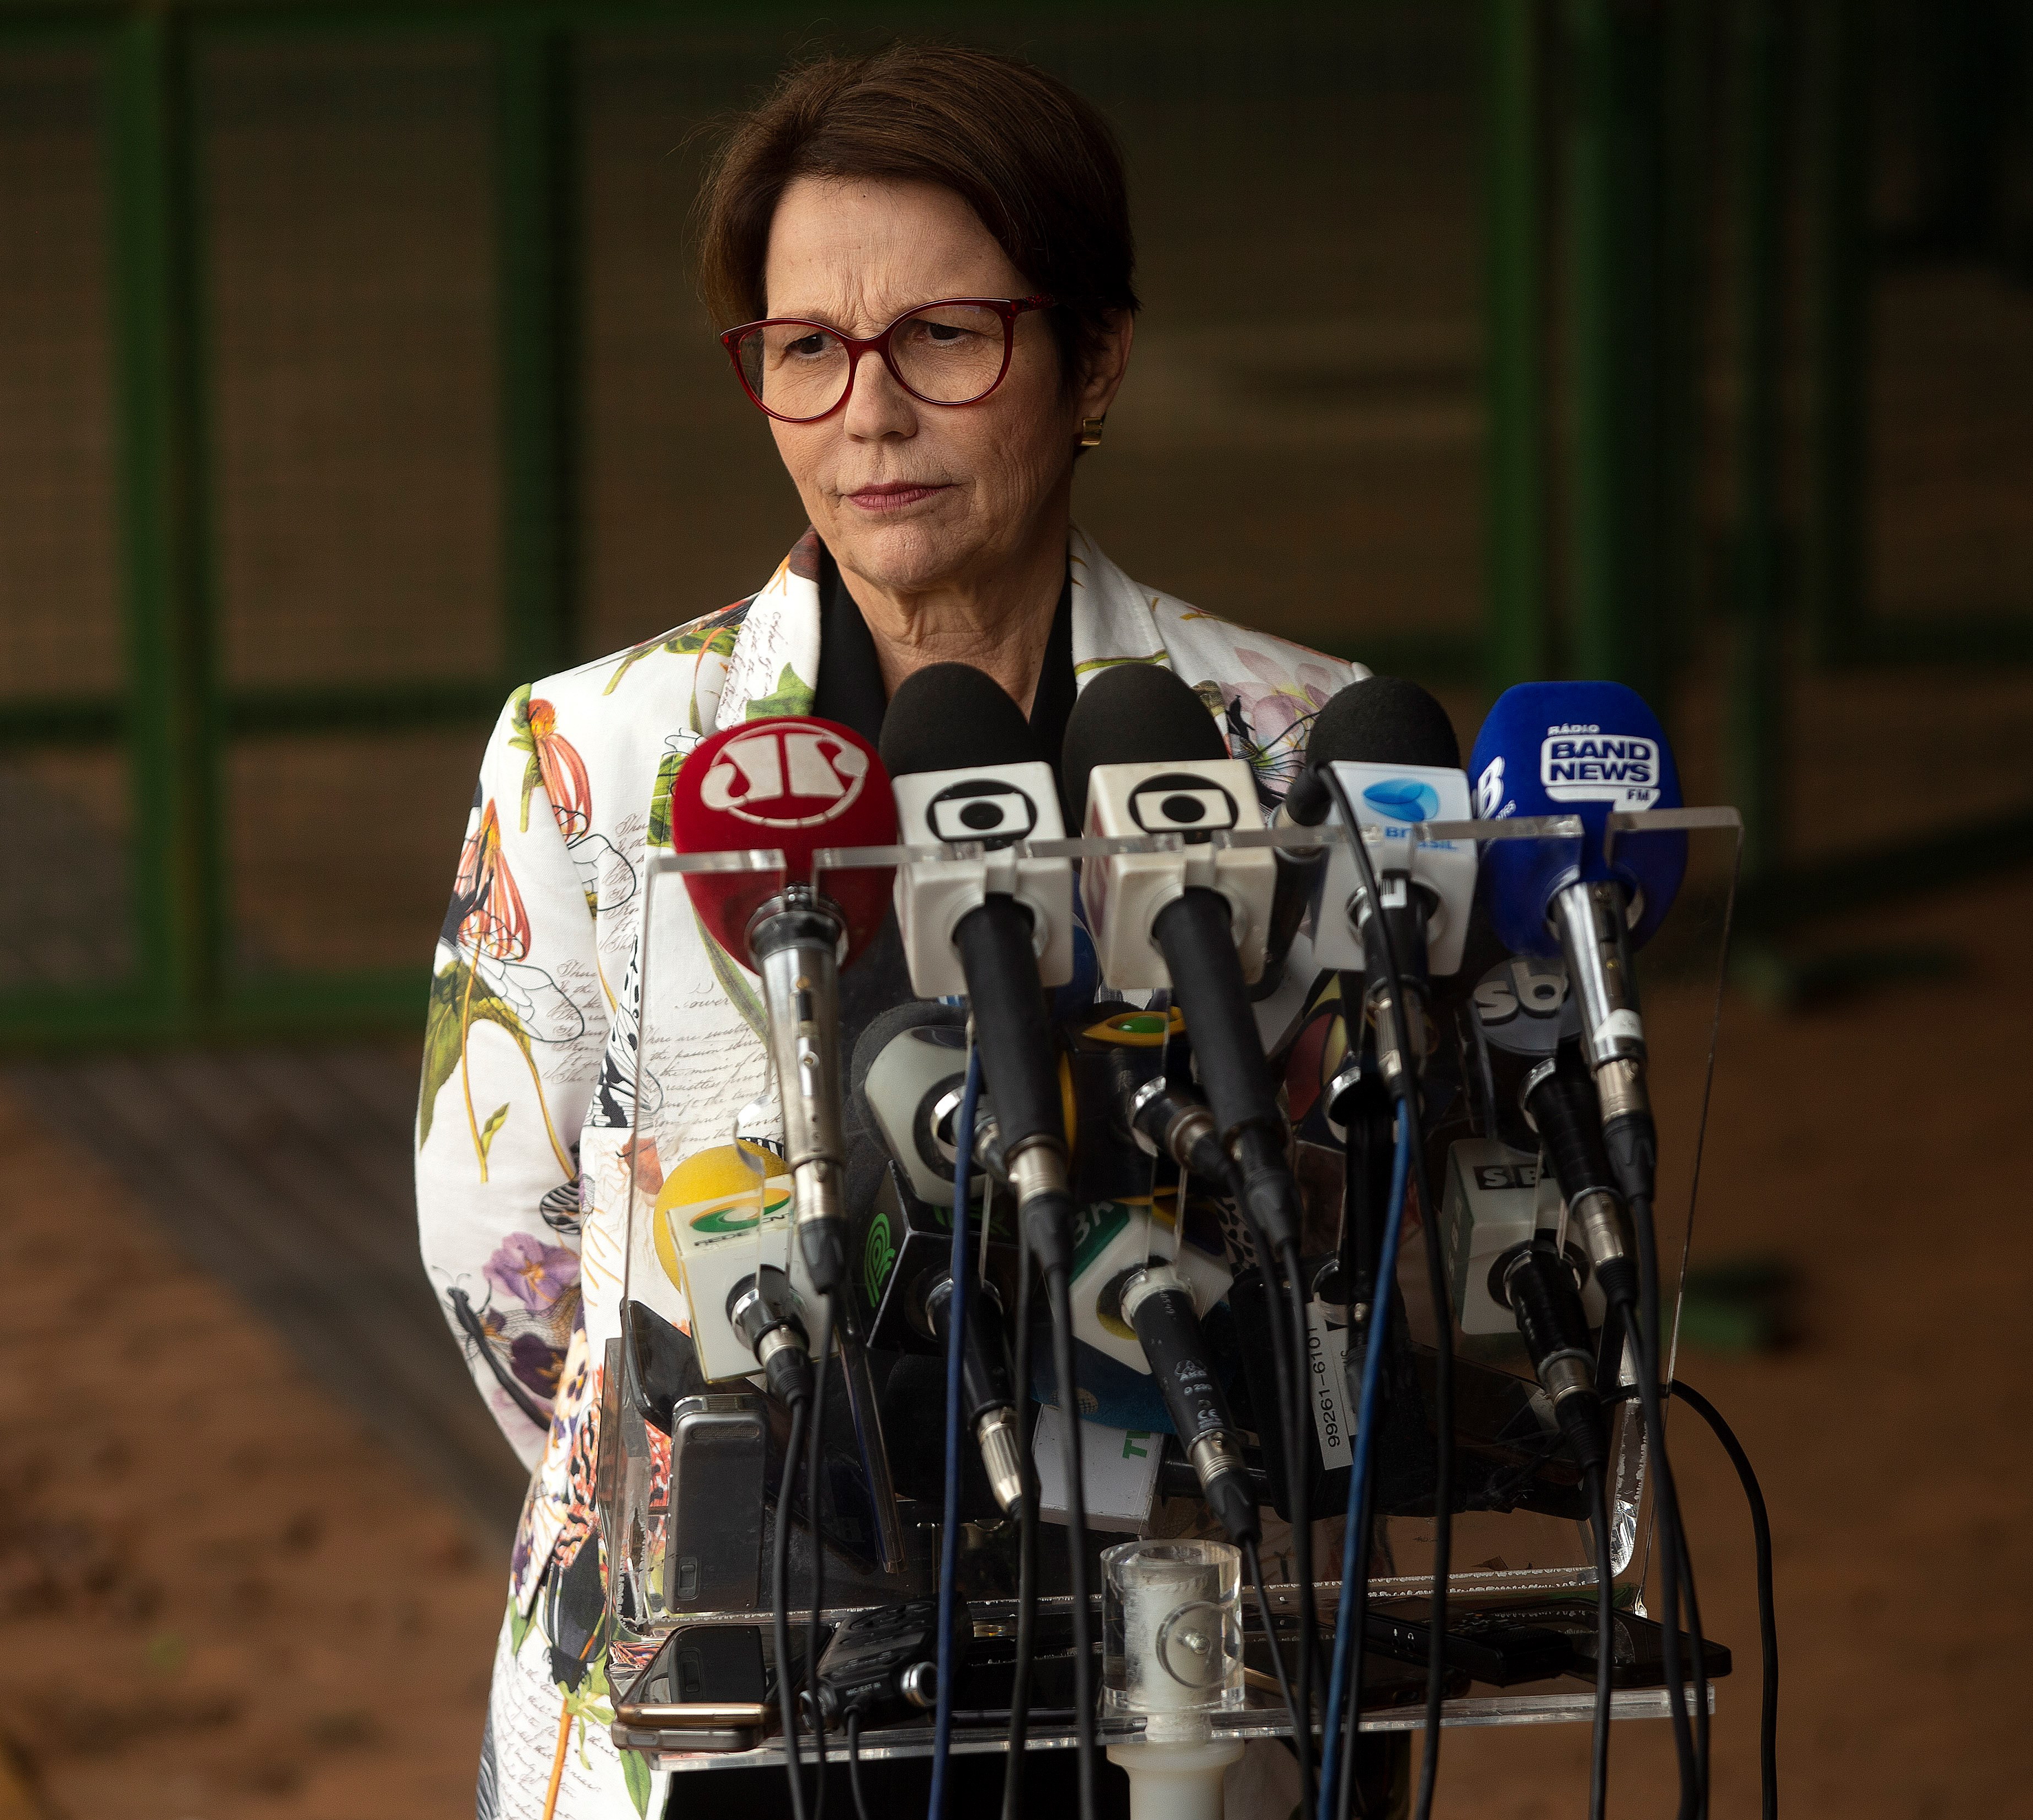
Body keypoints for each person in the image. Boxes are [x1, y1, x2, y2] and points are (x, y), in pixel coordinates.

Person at [416, 44, 1368, 1819]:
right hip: (723, 1674)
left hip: (1172, 1669)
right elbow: (509, 1266)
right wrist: (779, 1484)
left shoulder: (1284, 746)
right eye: (805, 349)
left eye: (945, 335)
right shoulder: (600, 754)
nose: (869, 412)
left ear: (1093, 359)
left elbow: (1351, 1221)